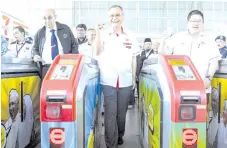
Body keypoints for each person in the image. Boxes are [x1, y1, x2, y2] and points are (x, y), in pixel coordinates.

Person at [93, 5, 140, 148]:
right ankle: (110, 143)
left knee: (121, 114)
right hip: (108, 80)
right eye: (111, 15)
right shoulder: (103, 34)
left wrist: (133, 77)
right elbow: (97, 52)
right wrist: (98, 33)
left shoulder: (131, 35)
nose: (114, 18)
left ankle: (119, 134)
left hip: (125, 80)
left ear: (122, 17)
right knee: (110, 114)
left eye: (117, 15)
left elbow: (133, 58)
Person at [164, 10, 221, 93]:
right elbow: (165, 54)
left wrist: (208, 78)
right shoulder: (177, 38)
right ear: (187, 22)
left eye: (199, 21)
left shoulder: (209, 40)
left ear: (203, 23)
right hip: (178, 85)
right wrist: (162, 41)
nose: (196, 23)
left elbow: (214, 62)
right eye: (193, 21)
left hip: (202, 85)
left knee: (202, 105)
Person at [32, 8, 78, 79]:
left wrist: (72, 61)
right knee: (47, 89)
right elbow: (35, 48)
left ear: (55, 17)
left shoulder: (65, 29)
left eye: (50, 18)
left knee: (62, 89)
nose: (47, 21)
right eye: (44, 18)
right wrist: (35, 55)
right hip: (46, 67)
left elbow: (74, 45)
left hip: (64, 66)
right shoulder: (40, 32)